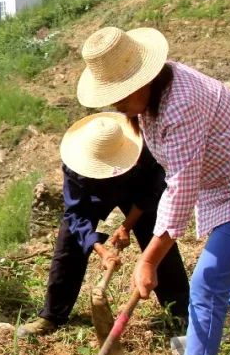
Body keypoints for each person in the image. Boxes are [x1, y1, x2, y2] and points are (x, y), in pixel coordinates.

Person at [77, 26, 230, 355]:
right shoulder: (152, 102)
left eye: (119, 97)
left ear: (141, 79)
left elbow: (180, 185)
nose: (116, 107)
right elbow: (175, 174)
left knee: (208, 287)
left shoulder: (180, 103)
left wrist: (149, 260)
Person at [16, 113, 189, 338]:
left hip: (135, 190)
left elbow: (150, 193)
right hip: (93, 192)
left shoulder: (143, 150)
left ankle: (181, 313)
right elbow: (77, 214)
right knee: (69, 244)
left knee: (157, 239)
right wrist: (102, 250)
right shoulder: (76, 164)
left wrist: (127, 225)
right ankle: (52, 315)